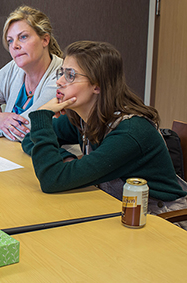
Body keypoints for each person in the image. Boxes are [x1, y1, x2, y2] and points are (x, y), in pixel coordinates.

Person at [22, 40, 187, 228]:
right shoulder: (83, 117)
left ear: (97, 86)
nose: (59, 81)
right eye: (62, 73)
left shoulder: (131, 132)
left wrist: (42, 117)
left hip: (160, 221)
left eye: (70, 75)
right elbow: (30, 140)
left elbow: (51, 180)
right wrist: (67, 160)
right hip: (117, 209)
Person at [0, 5, 63, 141]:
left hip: (55, 157)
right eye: (10, 40)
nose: (14, 46)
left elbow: (27, 129)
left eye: (23, 37)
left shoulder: (62, 76)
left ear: (45, 40)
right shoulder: (14, 68)